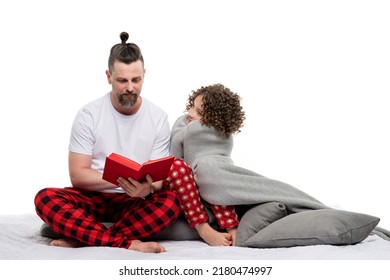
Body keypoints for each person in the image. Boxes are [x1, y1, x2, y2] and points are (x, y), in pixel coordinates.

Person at [34, 32, 195, 253]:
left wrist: (145, 189)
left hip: (134, 202)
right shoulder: (89, 114)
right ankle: (125, 243)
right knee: (45, 198)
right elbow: (78, 175)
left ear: (144, 75)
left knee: (170, 203)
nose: (130, 87)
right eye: (122, 80)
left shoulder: (157, 117)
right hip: (93, 198)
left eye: (136, 80)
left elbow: (158, 182)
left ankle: (85, 238)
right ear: (109, 76)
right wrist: (118, 179)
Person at [168, 83, 246, 246]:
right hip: (181, 189)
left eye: (198, 112)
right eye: (191, 107)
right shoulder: (182, 125)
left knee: (212, 171)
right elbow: (172, 159)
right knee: (176, 166)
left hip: (206, 188)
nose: (189, 113)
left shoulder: (221, 136)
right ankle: (204, 230)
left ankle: (231, 226)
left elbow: (220, 163)